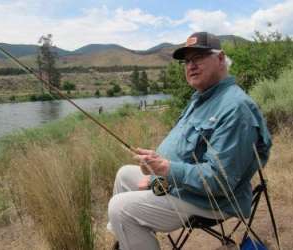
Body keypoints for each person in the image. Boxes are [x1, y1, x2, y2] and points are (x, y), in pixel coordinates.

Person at [107, 32, 272, 250]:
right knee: (124, 175)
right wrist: (157, 167)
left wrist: (165, 169)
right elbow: (184, 151)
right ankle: (128, 241)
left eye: (198, 58)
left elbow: (220, 182)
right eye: (187, 61)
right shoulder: (201, 98)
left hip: (209, 200)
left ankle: (129, 231)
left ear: (220, 59)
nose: (191, 66)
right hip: (179, 186)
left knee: (120, 207)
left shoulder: (236, 108)